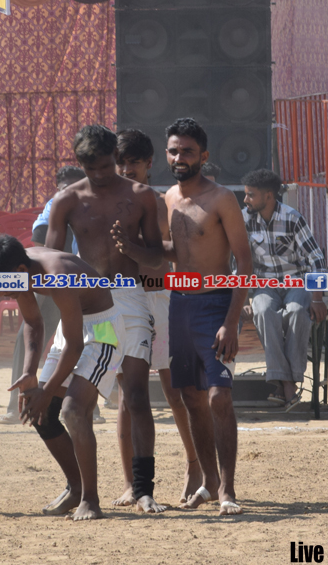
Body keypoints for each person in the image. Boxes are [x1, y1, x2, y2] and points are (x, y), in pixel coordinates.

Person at [47, 125, 166, 514]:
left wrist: (131, 249)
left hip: (130, 297)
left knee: (135, 394)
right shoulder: (66, 200)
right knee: (73, 403)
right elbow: (51, 258)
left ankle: (143, 489)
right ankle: (80, 488)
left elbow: (157, 258)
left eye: (103, 166)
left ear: (115, 157)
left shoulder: (141, 196)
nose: (98, 174)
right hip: (88, 302)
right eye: (89, 168)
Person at [0, 236, 119, 521]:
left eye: (2, 286)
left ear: (20, 271)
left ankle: (90, 500)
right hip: (70, 329)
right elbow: (33, 322)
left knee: (73, 410)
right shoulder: (20, 268)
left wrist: (47, 391)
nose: (1, 294)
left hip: (102, 329)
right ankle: (76, 488)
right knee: (41, 414)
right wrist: (30, 373)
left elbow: (76, 346)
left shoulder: (59, 275)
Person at [160, 117, 251, 516]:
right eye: (174, 151)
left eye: (188, 151)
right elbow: (174, 252)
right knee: (191, 397)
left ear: (204, 155)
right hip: (179, 305)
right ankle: (209, 484)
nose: (179, 158)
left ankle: (228, 489)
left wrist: (231, 321)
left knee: (219, 397)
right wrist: (133, 245)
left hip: (216, 306)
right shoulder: (167, 198)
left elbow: (245, 262)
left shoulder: (222, 199)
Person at [112, 129, 203, 506]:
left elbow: (177, 256)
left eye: (133, 162)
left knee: (175, 390)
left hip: (161, 299)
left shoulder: (163, 202)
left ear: (149, 163)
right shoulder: (106, 203)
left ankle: (195, 466)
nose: (126, 169)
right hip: (122, 301)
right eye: (120, 162)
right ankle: (131, 482)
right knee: (127, 396)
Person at [0, 166, 87, 424]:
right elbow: (40, 241)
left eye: (76, 188)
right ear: (57, 190)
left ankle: (90, 406)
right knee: (27, 335)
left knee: (88, 338)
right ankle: (16, 404)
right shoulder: (53, 206)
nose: (69, 194)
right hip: (53, 278)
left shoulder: (94, 206)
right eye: (64, 189)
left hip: (89, 282)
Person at [240, 168, 327, 411]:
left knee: (297, 312)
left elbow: (317, 260)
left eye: (250, 195)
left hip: (296, 283)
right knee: (263, 312)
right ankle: (287, 383)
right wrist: (244, 300)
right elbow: (240, 264)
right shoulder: (244, 220)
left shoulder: (292, 218)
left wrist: (317, 299)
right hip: (264, 286)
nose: (245, 200)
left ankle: (286, 382)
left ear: (268, 196)